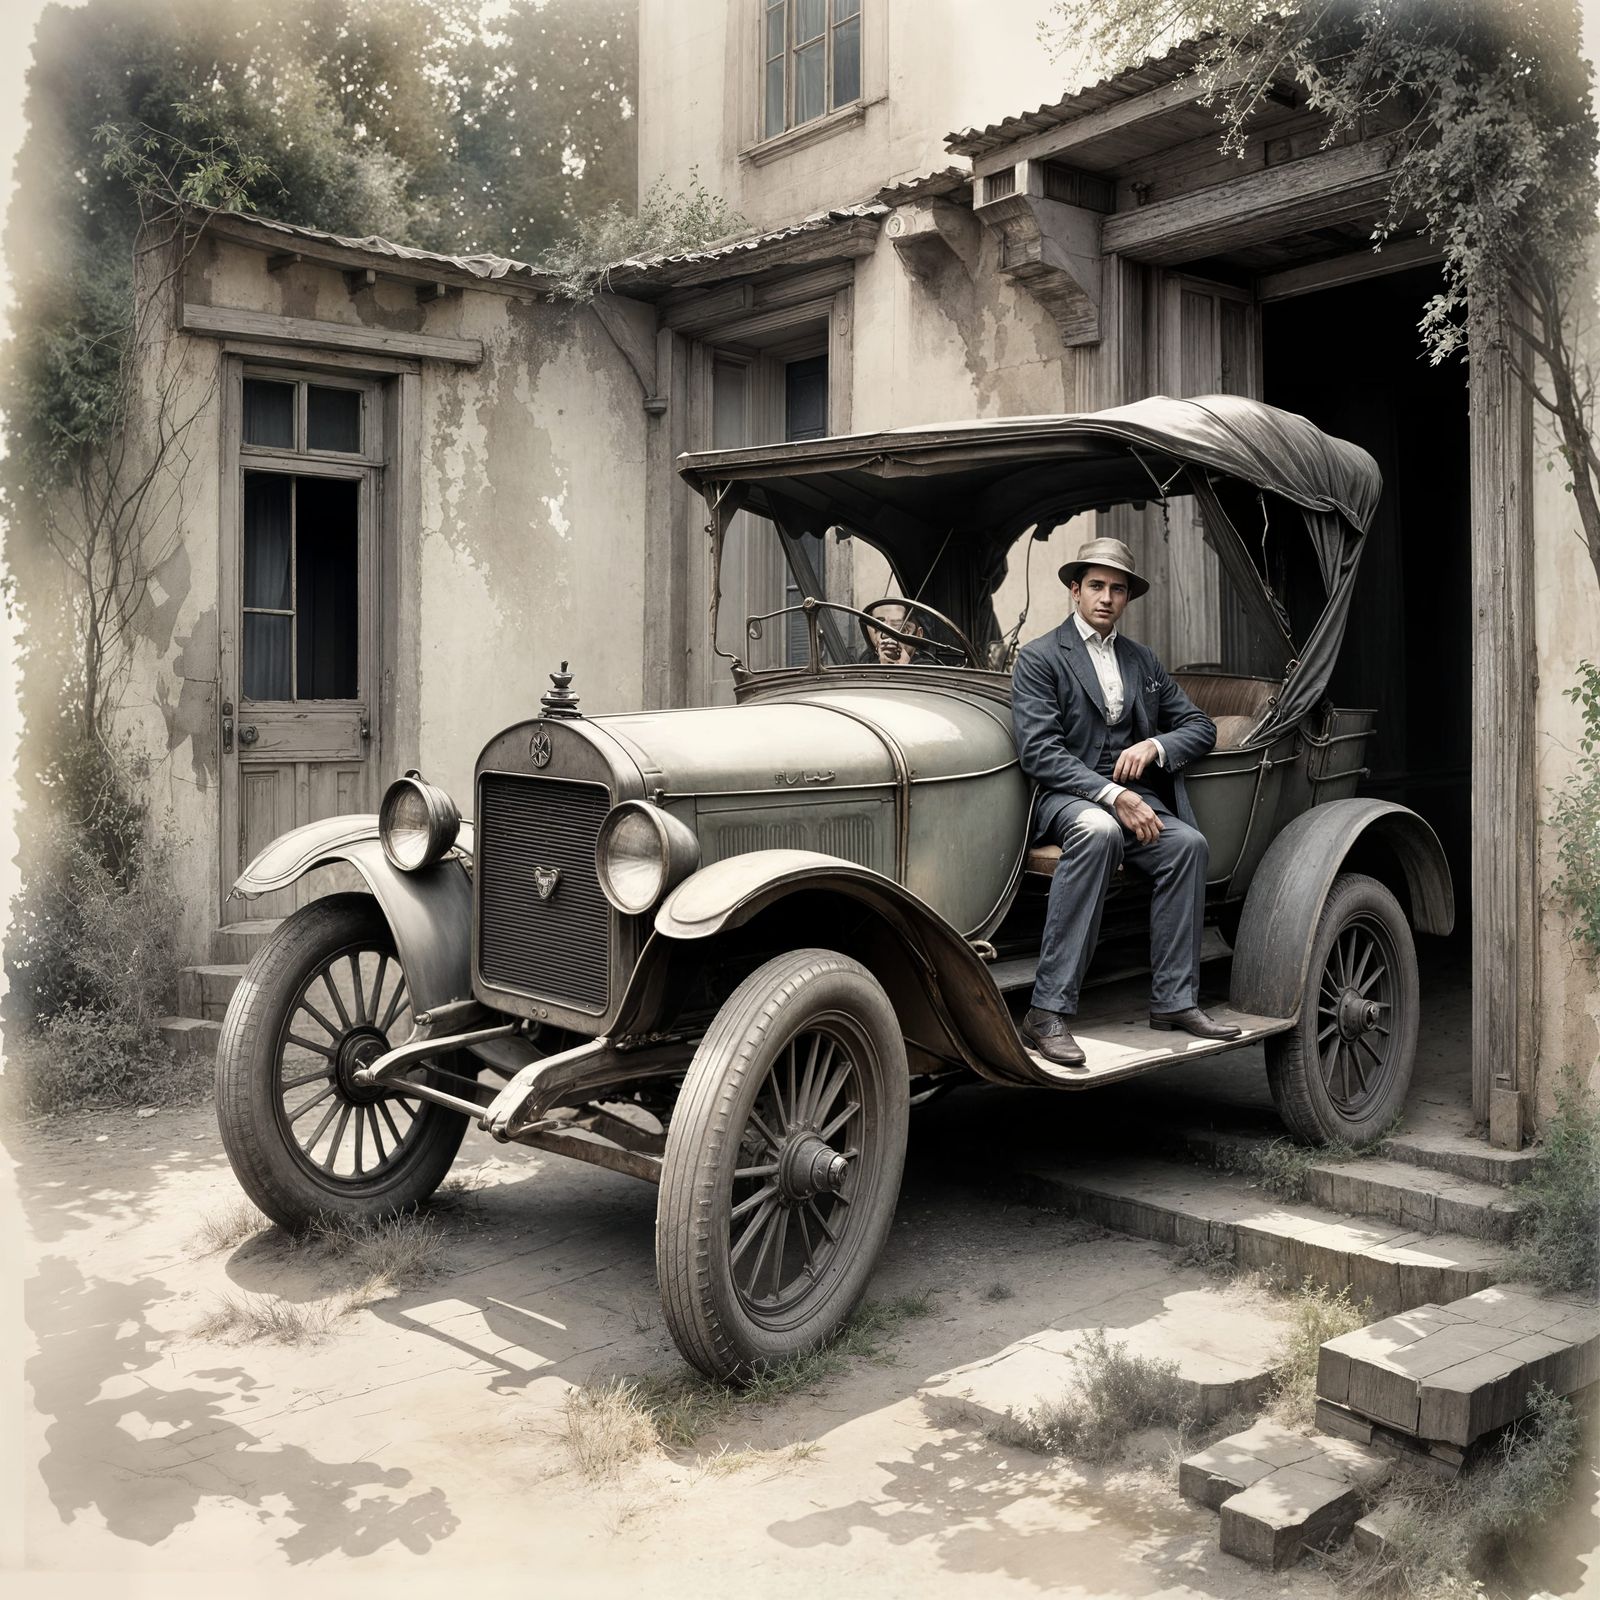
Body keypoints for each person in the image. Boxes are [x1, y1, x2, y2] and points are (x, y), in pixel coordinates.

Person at [1010, 536, 1242, 1069]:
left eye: (1117, 589)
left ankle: (1175, 1002)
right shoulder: (1041, 657)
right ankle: (1045, 1012)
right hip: (1067, 797)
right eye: (1096, 586)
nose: (1106, 598)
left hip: (1135, 796)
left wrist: (1154, 745)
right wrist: (1112, 794)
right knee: (1100, 830)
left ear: (1127, 599)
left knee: (1187, 845)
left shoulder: (1141, 660)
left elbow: (1200, 726)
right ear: (1075, 590)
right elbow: (1040, 753)